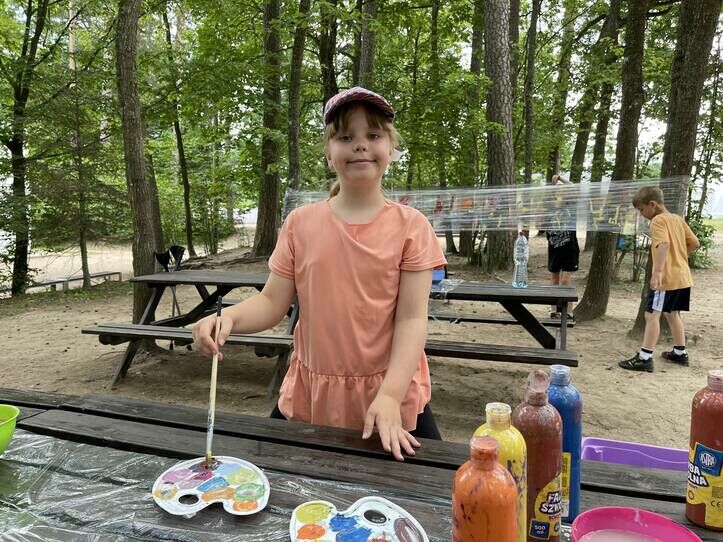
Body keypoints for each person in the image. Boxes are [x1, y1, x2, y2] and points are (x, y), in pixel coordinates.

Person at [192, 87, 447, 461]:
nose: (360, 145)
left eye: (373, 135)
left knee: (435, 484)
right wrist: (227, 317)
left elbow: (412, 320)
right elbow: (272, 302)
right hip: (312, 394)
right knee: (272, 476)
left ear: (391, 148)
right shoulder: (300, 224)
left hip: (391, 392)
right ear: (329, 154)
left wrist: (392, 395)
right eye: (345, 137)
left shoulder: (413, 227)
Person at [618, 186, 699, 372]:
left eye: (642, 209)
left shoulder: (658, 220)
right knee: (673, 314)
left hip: (667, 279)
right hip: (682, 276)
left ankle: (645, 358)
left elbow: (663, 244)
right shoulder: (677, 219)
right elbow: (695, 243)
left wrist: (658, 272)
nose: (642, 214)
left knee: (651, 315)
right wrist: (678, 256)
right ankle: (680, 353)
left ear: (652, 204)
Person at [547, 174, 579, 319]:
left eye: (563, 193)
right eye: (558, 193)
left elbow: (573, 187)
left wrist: (559, 178)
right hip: (554, 249)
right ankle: (554, 310)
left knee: (565, 281)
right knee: (554, 279)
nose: (561, 195)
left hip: (570, 249)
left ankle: (568, 312)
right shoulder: (550, 208)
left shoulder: (571, 206)